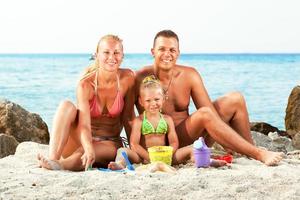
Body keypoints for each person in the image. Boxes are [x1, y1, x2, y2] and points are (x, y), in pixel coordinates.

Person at [134, 30, 284, 166]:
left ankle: (249, 149)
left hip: (188, 136)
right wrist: (139, 151)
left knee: (235, 99)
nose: (167, 54)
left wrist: (225, 137)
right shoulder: (140, 78)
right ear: (153, 51)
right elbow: (128, 117)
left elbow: (210, 112)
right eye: (162, 49)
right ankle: (259, 154)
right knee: (204, 114)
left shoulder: (189, 75)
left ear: (178, 53)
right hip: (159, 143)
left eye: (172, 50)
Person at [38, 34, 135, 171]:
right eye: (106, 52)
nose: (111, 57)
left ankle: (60, 165)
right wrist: (88, 147)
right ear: (97, 55)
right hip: (81, 138)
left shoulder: (128, 78)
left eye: (116, 53)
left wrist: (135, 148)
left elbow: (129, 117)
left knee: (87, 152)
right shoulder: (86, 84)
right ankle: (53, 158)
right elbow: (84, 125)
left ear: (122, 56)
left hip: (109, 142)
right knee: (66, 105)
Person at [108, 76, 226, 170]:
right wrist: (148, 157)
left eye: (157, 99)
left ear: (163, 99)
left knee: (192, 147)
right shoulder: (139, 121)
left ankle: (206, 161)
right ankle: (119, 164)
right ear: (141, 101)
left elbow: (174, 141)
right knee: (122, 150)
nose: (153, 103)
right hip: (143, 159)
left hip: (166, 157)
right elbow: (134, 144)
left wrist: (168, 152)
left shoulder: (167, 120)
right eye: (148, 100)